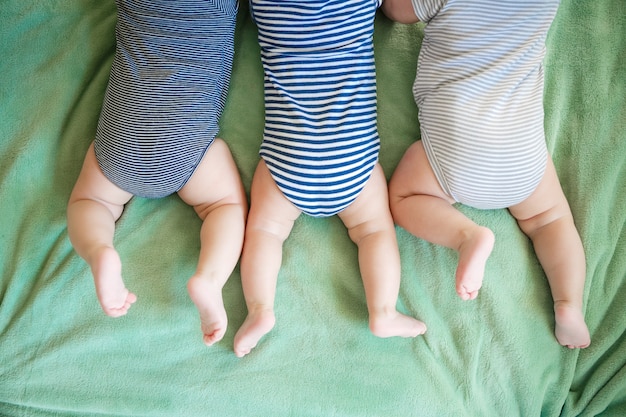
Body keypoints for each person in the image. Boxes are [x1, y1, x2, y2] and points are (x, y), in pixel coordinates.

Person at [381, 0, 590, 348]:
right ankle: (568, 304)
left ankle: (466, 236)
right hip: (521, 151)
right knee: (550, 219)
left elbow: (394, 10)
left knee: (403, 198)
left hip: (457, 147)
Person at [233, 0, 427, 358]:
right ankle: (383, 311)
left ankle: (260, 310)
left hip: (288, 156)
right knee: (374, 232)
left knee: (265, 232)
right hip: (353, 158)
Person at [66, 0, 247, 347]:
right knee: (224, 206)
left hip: (122, 137)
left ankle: (98, 249)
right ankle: (209, 278)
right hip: (185, 146)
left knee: (90, 202)